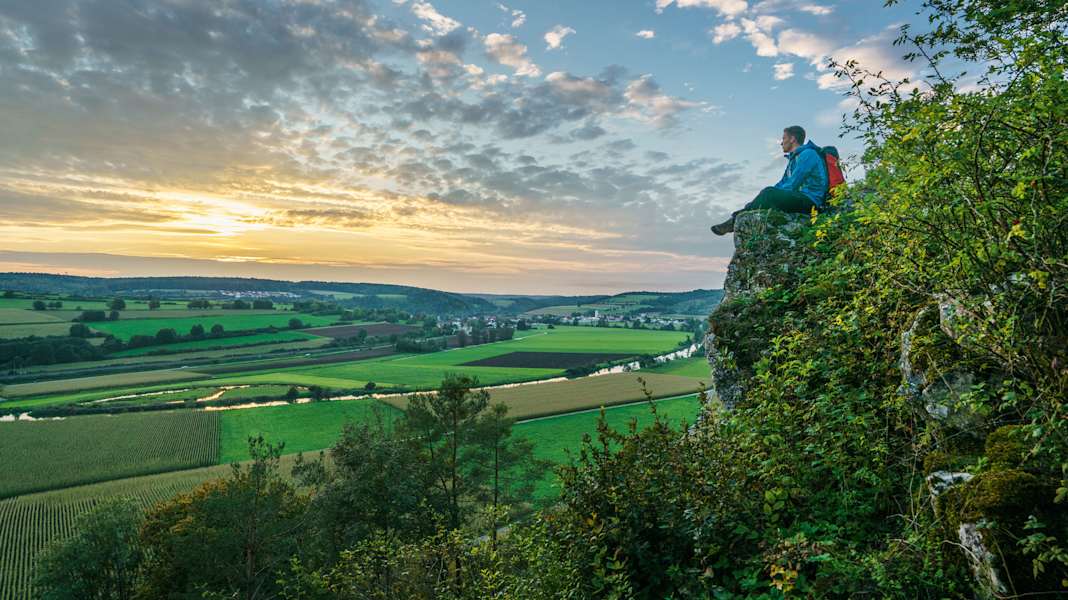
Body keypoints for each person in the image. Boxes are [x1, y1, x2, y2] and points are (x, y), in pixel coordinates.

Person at [710, 125, 828, 235]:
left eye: (784, 138)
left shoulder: (808, 154)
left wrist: (770, 195)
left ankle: (735, 220)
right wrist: (757, 201)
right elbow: (782, 183)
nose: (781, 143)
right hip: (799, 197)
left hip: (810, 201)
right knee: (768, 194)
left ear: (792, 139)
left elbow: (794, 182)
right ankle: (742, 214)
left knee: (769, 193)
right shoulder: (793, 159)